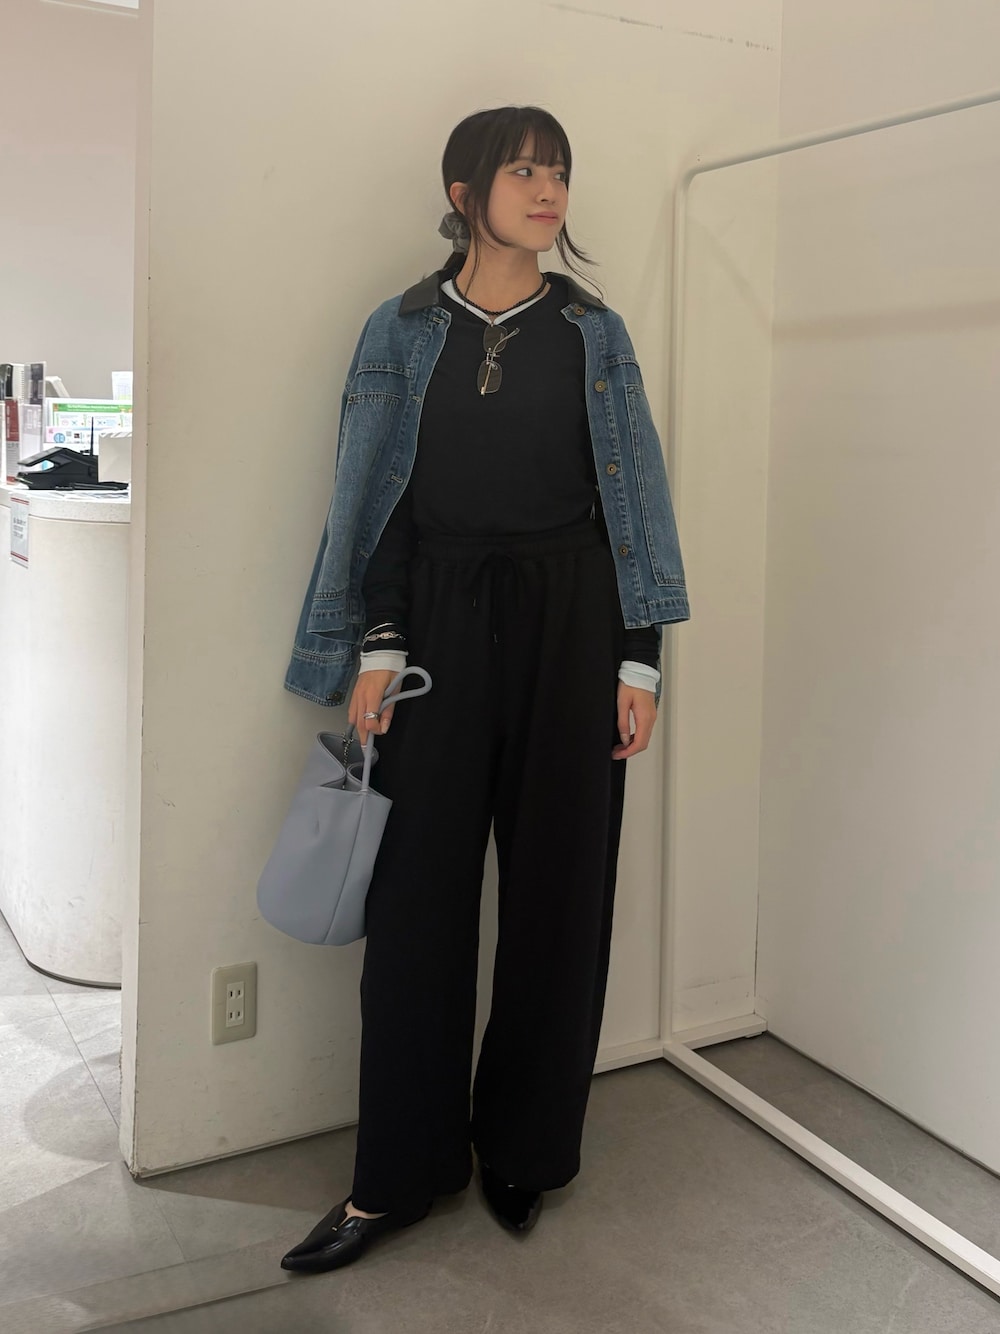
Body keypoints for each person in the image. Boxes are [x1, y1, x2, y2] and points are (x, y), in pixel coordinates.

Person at [280, 105, 689, 1275]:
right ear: (465, 193)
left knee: (562, 894)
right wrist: (377, 643)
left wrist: (638, 656)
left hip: (573, 625)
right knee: (416, 905)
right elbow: (372, 500)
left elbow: (632, 501)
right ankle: (396, 1174)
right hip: (436, 629)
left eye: (558, 171)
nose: (548, 190)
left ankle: (524, 1147)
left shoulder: (593, 332)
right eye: (523, 170)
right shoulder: (401, 329)